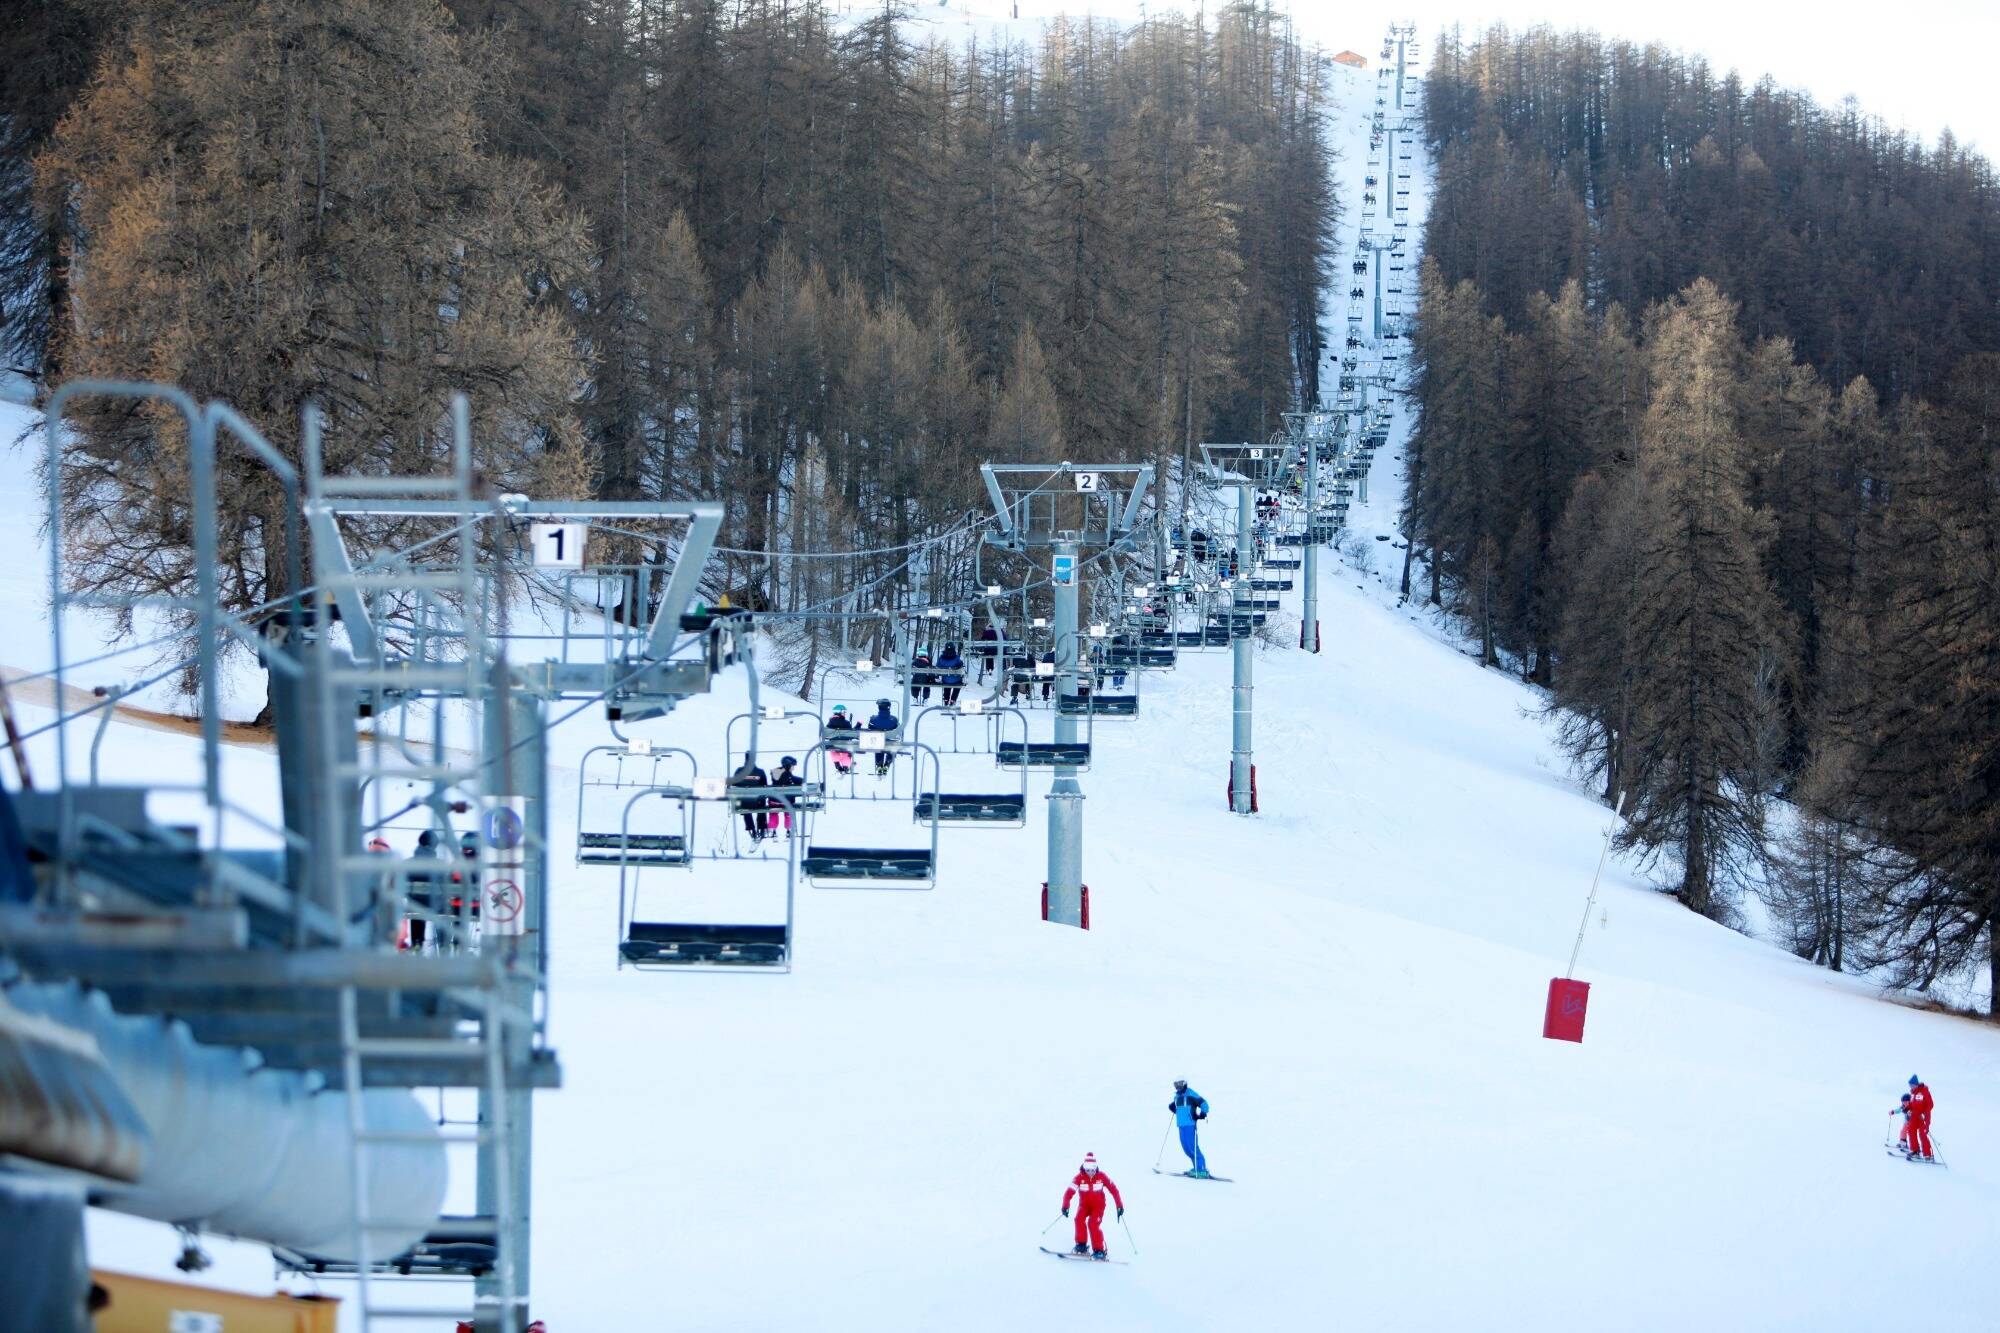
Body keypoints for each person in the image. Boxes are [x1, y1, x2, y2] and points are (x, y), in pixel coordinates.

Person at [1060, 1152, 1124, 1260]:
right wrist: (1065, 1206)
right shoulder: (1079, 1178)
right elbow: (1069, 1192)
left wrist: (1119, 1205)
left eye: (1093, 1170)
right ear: (1084, 1168)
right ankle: (1081, 1245)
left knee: (1093, 1224)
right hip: (1084, 1205)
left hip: (1098, 1206)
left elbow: (1114, 1190)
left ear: (1096, 1168)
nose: (1090, 1172)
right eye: (1088, 1170)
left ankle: (1099, 1250)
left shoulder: (1102, 1176)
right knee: (1078, 1219)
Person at [402, 829, 449, 953]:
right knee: (444, 910)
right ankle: (443, 944)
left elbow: (401, 886)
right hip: (436, 906)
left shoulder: (408, 863)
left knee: (415, 906)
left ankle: (417, 943)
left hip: (415, 905)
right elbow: (447, 888)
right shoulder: (440, 865)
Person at [1169, 1079, 1211, 1177]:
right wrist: (1173, 1108)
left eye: (1179, 1084)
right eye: (1176, 1085)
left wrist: (1203, 1113)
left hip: (1190, 1125)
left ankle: (1201, 1169)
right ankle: (1196, 1168)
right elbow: (1180, 1110)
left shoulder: (1191, 1094)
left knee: (1192, 1147)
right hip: (1181, 1125)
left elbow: (1204, 1103)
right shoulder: (1177, 1097)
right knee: (1186, 1148)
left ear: (1184, 1084)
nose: (1178, 1087)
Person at [731, 756, 771, 840]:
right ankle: (762, 827)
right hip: (758, 803)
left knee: (744, 802)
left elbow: (734, 785)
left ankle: (751, 829)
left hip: (743, 803)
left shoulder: (739, 771)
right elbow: (765, 786)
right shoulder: (760, 772)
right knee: (761, 801)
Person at [769, 756, 803, 837]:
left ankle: (773, 829)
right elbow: (797, 780)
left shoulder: (775, 771)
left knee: (773, 813)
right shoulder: (787, 774)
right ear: (788, 765)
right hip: (786, 801)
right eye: (793, 766)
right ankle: (788, 829)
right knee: (788, 813)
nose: (793, 768)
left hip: (774, 801)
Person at [866, 698, 899, 776]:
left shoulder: (873, 719)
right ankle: (888, 762)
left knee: (877, 744)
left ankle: (879, 764)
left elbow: (869, 730)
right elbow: (898, 731)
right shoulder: (894, 720)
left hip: (877, 742)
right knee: (892, 746)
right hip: (890, 742)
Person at [1906, 1075, 1935, 1160]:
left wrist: (1924, 1113)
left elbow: (1930, 1104)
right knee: (1911, 1131)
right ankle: (1915, 1151)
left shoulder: (1924, 1091)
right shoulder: (1912, 1093)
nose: (1910, 1087)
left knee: (1922, 1134)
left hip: (1923, 1117)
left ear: (1916, 1084)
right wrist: (1908, 1110)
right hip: (1914, 1116)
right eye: (1910, 1085)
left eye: (1911, 1085)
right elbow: (1911, 1104)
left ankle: (1928, 1154)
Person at [825, 706, 857, 776]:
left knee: (833, 749)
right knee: (847, 751)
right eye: (844, 712)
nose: (845, 714)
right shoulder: (846, 723)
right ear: (840, 712)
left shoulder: (830, 722)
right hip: (845, 745)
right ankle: (845, 766)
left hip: (833, 745)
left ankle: (837, 765)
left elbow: (826, 735)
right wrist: (858, 724)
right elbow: (852, 734)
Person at [936, 643, 965, 707]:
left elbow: (937, 667)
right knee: (958, 685)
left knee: (946, 685)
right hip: (956, 680)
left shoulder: (941, 658)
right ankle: (953, 700)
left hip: (946, 680)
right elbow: (960, 665)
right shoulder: (956, 657)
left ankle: (946, 701)